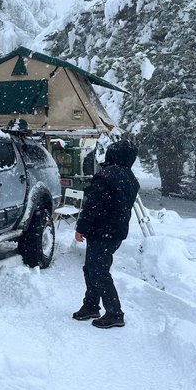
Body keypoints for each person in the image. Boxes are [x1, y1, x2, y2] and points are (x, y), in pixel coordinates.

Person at [73, 139, 140, 328]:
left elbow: (92, 205)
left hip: (101, 231)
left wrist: (81, 228)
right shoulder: (130, 178)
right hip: (116, 233)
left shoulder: (106, 175)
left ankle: (114, 313)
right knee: (93, 268)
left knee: (98, 271)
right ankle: (91, 305)